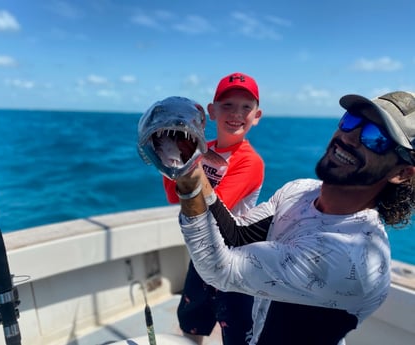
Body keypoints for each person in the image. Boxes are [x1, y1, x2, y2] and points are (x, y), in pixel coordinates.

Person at [173, 91, 415, 344]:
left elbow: (219, 269)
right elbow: (237, 236)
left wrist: (189, 181)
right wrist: (194, 167)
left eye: (376, 138)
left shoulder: (350, 257)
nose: (350, 137)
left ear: (401, 173)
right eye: (351, 120)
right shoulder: (300, 190)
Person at [163, 72, 265, 344]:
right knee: (191, 324)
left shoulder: (250, 162)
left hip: (235, 263)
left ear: (257, 116)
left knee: (237, 333)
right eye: (228, 104)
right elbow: (176, 198)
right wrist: (170, 157)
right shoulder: (201, 148)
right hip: (202, 255)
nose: (236, 113)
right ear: (212, 111)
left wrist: (186, 167)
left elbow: (213, 209)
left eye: (246, 107)